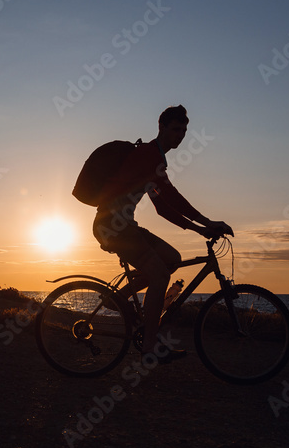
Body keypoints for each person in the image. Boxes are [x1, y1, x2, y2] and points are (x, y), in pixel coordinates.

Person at [92, 104, 232, 360]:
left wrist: (200, 228)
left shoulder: (153, 160)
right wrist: (207, 223)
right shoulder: (149, 155)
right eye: (176, 129)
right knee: (159, 276)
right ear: (162, 127)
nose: (180, 135)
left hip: (125, 226)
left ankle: (121, 298)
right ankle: (149, 347)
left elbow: (162, 207)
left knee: (172, 259)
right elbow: (170, 196)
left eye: (185, 130)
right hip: (113, 226)